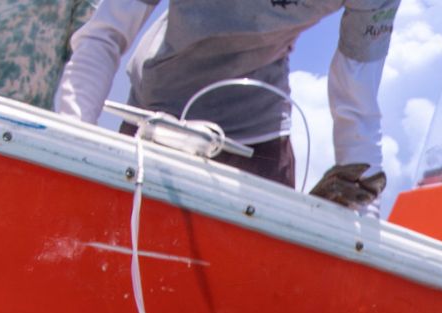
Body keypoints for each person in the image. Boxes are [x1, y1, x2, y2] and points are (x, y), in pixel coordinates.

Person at [53, 0, 396, 210]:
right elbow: (105, 33)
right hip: (156, 115)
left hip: (259, 137)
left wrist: (362, 210)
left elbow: (357, 95)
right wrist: (74, 137)